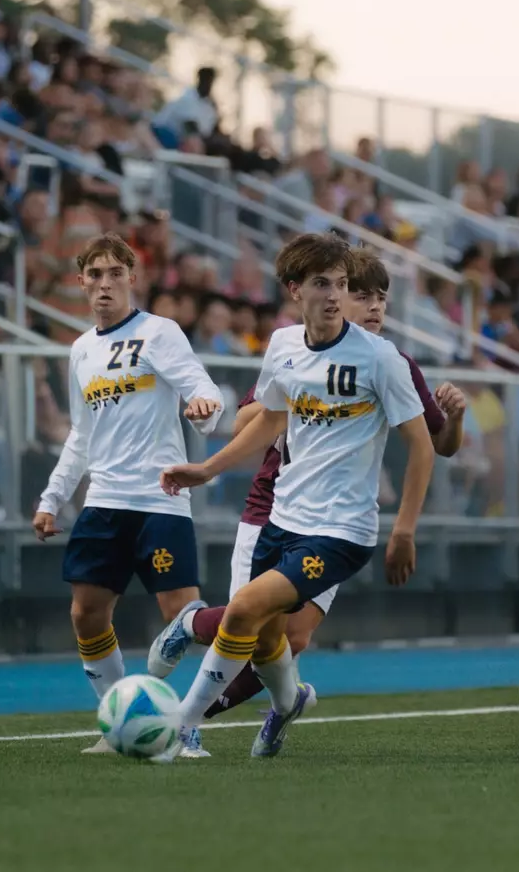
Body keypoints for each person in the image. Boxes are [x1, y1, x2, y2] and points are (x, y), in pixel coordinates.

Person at [147, 247, 467, 717]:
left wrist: (406, 525)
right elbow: (262, 420)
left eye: (370, 294)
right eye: (348, 290)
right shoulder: (287, 346)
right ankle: (266, 704)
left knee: (266, 624)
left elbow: (433, 444)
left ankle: (184, 711)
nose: (366, 304)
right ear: (299, 291)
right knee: (263, 630)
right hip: (275, 508)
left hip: (339, 527)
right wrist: (208, 468)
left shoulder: (387, 360)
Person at [30, 233, 224, 755]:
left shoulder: (160, 332)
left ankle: (186, 725)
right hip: (104, 503)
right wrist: (52, 499)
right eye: (94, 275)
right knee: (86, 614)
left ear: (131, 279)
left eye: (115, 273)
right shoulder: (81, 350)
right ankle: (122, 724)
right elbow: (81, 433)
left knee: (184, 620)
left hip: (160, 498)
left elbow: (200, 388)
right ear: (81, 283)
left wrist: (206, 409)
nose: (105, 284)